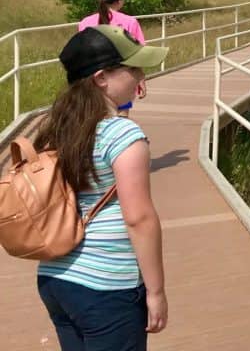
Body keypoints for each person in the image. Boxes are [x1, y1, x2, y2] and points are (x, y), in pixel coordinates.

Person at [36, 24, 169, 349]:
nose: (140, 76)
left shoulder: (53, 128)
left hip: (56, 277)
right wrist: (156, 291)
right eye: (132, 68)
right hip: (108, 284)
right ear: (101, 78)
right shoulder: (124, 136)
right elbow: (139, 219)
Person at [79, 0, 147, 117]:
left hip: (93, 80)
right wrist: (140, 79)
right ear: (120, 1)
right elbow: (138, 54)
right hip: (121, 80)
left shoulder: (85, 22)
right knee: (121, 119)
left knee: (95, 119)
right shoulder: (129, 22)